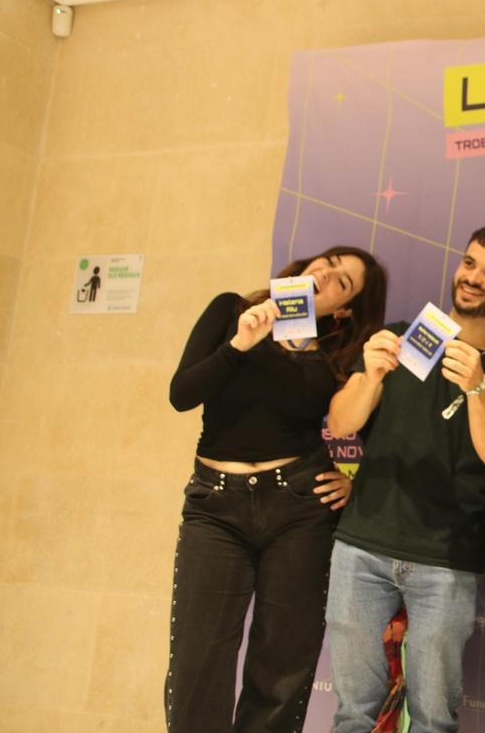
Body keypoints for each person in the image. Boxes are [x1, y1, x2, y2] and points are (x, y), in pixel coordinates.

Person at [325, 225, 485, 733]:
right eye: (469, 263)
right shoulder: (405, 338)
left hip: (445, 562)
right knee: (353, 713)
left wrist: (477, 386)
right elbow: (341, 423)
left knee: (432, 717)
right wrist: (373, 376)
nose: (473, 278)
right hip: (362, 547)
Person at [166, 245, 388, 733]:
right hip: (215, 504)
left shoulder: (335, 355)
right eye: (326, 264)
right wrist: (240, 344)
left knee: (283, 664)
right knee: (199, 657)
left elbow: (374, 431)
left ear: (344, 309)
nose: (325, 277)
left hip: (298, 509)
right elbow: (182, 394)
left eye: (342, 283)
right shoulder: (232, 310)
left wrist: (357, 487)